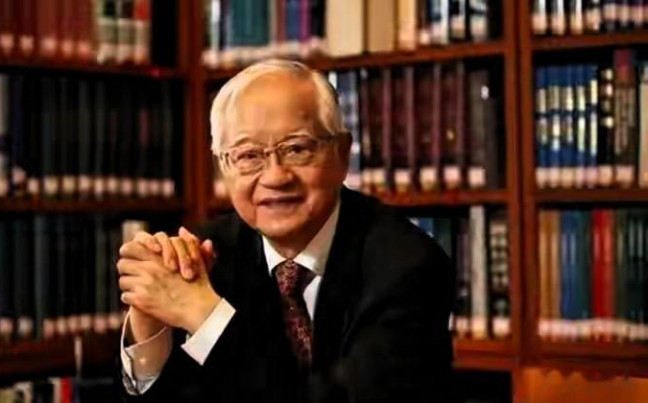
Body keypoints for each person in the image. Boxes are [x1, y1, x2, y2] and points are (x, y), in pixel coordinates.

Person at [116, 59, 455, 402]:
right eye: (249, 155)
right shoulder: (208, 254)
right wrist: (150, 321)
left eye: (296, 149)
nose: (275, 177)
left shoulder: (408, 266)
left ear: (341, 154)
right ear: (224, 167)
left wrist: (209, 319)